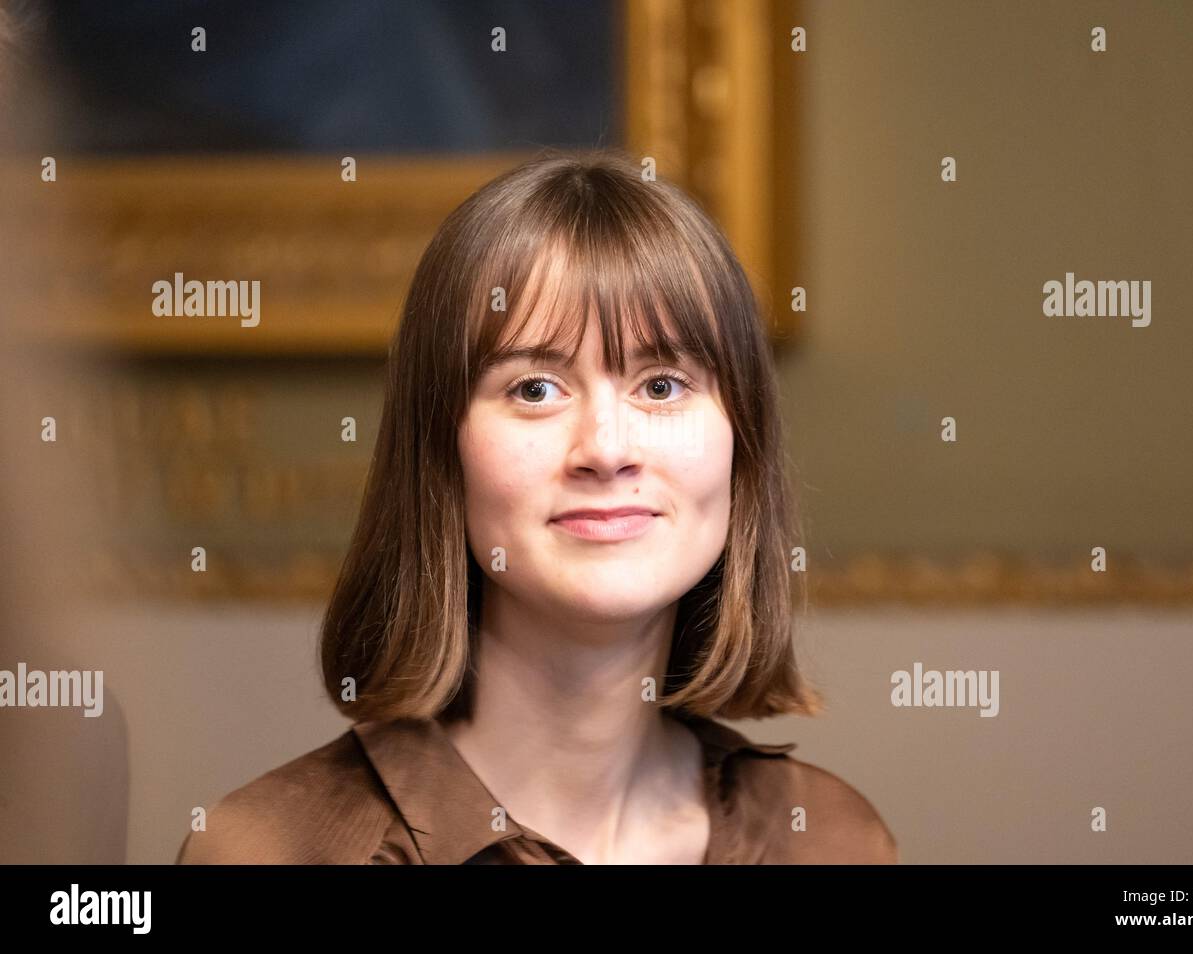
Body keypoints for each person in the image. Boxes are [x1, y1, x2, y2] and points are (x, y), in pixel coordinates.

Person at [176, 149, 897, 865]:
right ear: (439, 454)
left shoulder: (833, 841)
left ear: (744, 445)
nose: (607, 449)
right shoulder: (268, 852)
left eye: (662, 384)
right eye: (534, 389)